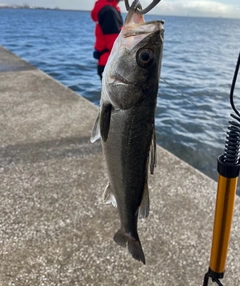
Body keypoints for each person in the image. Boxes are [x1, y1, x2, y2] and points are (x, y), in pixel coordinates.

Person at [91, 0, 123, 80]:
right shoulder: (109, 12)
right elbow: (113, 43)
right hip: (111, 65)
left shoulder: (106, 9)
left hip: (106, 62)